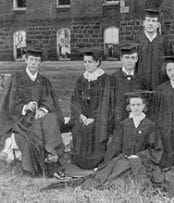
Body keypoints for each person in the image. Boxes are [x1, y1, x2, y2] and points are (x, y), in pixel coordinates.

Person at [0, 48, 65, 177]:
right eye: (31, 60)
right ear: (26, 60)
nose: (34, 63)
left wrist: (42, 109)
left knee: (50, 118)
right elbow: (12, 104)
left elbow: (48, 100)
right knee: (33, 130)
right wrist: (26, 106)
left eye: (37, 60)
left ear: (40, 62)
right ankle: (46, 156)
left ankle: (52, 153)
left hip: (38, 116)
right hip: (21, 117)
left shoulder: (43, 80)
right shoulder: (17, 78)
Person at [79, 92, 164, 190]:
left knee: (137, 180)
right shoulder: (124, 124)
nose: (136, 108)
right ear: (129, 107)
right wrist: (107, 164)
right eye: (133, 105)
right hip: (124, 159)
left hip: (142, 161)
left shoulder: (150, 125)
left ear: (144, 106)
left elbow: (156, 149)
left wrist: (139, 156)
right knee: (112, 175)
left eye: (138, 105)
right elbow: (114, 147)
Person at [68, 48, 112, 169]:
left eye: (90, 62)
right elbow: (75, 100)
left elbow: (105, 102)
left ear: (97, 62)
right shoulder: (81, 80)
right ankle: (80, 160)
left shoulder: (105, 79)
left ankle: (96, 161)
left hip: (99, 117)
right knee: (78, 126)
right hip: (83, 116)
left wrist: (93, 118)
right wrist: (80, 114)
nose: (87, 64)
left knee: (96, 128)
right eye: (85, 62)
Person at [110, 44, 150, 132]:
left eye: (132, 58)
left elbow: (146, 101)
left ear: (137, 59)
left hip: (137, 122)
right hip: (118, 122)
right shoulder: (113, 78)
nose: (130, 61)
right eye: (127, 57)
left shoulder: (141, 79)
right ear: (121, 58)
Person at [137, 9, 173, 90]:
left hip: (161, 83)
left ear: (158, 24)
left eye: (154, 21)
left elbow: (170, 64)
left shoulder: (164, 42)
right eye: (148, 20)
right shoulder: (137, 41)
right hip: (141, 84)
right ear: (143, 23)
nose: (150, 23)